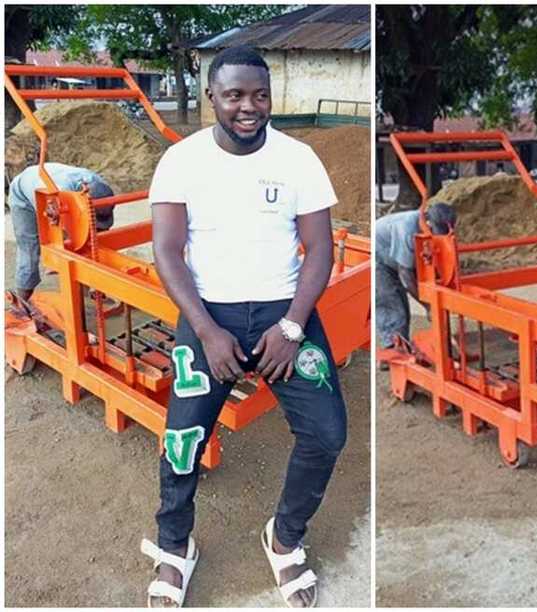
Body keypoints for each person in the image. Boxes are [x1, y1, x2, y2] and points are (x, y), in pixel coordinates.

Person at [145, 45, 345, 608]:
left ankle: (283, 539)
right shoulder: (181, 161)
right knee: (183, 443)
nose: (248, 107)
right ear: (212, 97)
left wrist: (291, 328)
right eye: (234, 95)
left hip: (285, 314)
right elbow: (167, 250)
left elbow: (320, 250)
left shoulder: (299, 158)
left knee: (327, 434)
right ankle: (174, 546)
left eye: (260, 95)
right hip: (210, 317)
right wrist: (207, 331)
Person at [7, 158, 115, 301]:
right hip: (23, 192)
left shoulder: (98, 185)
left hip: (50, 181)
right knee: (29, 247)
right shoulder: (58, 193)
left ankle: (89, 288)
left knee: (90, 239)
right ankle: (22, 300)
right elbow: (64, 234)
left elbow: (97, 236)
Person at [374, 202, 456, 356]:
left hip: (399, 258)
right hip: (378, 257)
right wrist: (428, 305)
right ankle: (392, 350)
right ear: (427, 220)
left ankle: (437, 347)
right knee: (392, 302)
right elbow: (405, 276)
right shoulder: (406, 229)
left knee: (406, 305)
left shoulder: (431, 228)